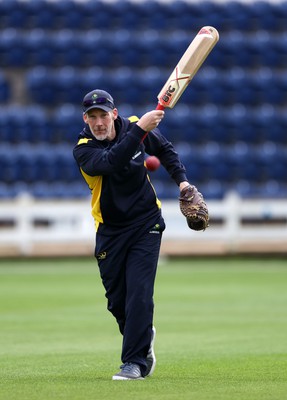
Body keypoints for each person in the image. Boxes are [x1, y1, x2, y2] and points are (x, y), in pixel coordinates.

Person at [73, 89, 191, 381]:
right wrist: (140, 130)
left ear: (114, 113)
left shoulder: (135, 125)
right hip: (110, 231)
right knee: (118, 302)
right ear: (85, 120)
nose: (99, 122)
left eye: (104, 115)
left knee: (139, 293)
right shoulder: (84, 149)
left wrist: (183, 184)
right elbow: (112, 161)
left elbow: (164, 150)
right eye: (92, 117)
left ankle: (134, 362)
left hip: (145, 223)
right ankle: (143, 336)